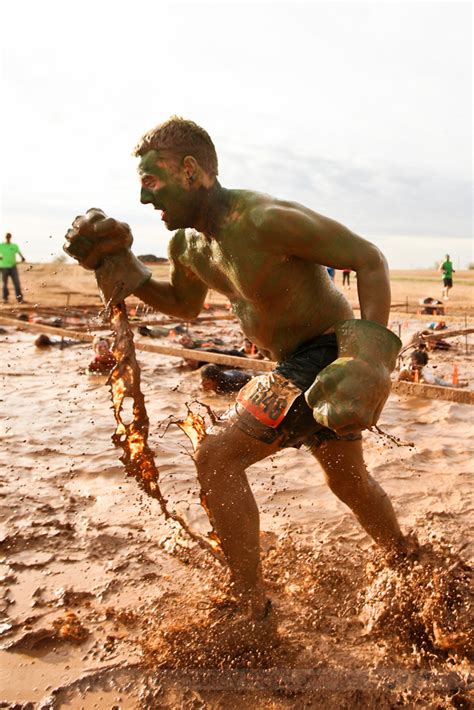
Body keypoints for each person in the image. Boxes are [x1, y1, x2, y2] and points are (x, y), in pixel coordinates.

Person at [64, 117, 405, 620]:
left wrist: (369, 358)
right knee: (348, 480)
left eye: (151, 183)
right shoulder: (186, 245)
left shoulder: (263, 219)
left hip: (327, 352)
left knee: (216, 458)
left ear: (190, 171)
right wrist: (125, 270)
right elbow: (183, 306)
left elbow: (368, 258)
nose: (143, 201)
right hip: (292, 362)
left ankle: (250, 608)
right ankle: (409, 562)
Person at [0, 233, 26, 303]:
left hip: (13, 266)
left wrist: (22, 257)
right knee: (4, 283)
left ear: (10, 237)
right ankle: (5, 298)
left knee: (17, 283)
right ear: (5, 237)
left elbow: (19, 253)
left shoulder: (14, 246)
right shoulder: (1, 245)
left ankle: (19, 299)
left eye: (9, 237)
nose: (8, 238)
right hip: (3, 267)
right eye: (7, 237)